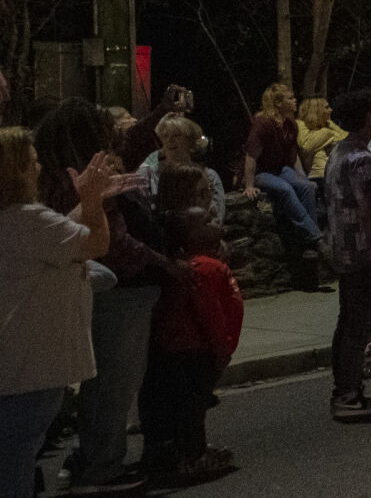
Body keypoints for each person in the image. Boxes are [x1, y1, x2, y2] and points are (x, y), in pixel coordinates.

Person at [37, 99, 174, 494]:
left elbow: (133, 144)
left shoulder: (65, 173)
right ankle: (102, 467)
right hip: (120, 290)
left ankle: (87, 457)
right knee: (114, 382)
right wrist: (166, 264)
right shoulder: (84, 181)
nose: (113, 133)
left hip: (103, 287)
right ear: (86, 135)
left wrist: (162, 108)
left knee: (102, 383)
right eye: (102, 126)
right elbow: (112, 242)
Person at [0, 131, 114, 498]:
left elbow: (58, 239)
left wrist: (89, 200)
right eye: (32, 161)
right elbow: (96, 242)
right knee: (13, 465)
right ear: (15, 170)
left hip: (14, 364)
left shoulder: (17, 221)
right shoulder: (27, 218)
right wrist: (92, 202)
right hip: (29, 369)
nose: (39, 168)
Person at [140, 208, 241, 480]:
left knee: (186, 405)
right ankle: (193, 456)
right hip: (195, 350)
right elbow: (210, 312)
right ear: (190, 237)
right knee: (192, 408)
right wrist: (221, 348)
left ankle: (183, 451)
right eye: (206, 222)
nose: (214, 219)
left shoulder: (199, 265)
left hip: (186, 348)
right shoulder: (204, 269)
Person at [324, 89, 371, 418]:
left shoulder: (339, 151)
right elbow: (369, 211)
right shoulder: (362, 159)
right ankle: (348, 394)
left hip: (342, 248)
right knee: (358, 325)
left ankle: (346, 388)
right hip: (362, 251)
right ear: (367, 116)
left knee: (348, 322)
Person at [240, 83, 321, 247]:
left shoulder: (290, 125)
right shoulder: (263, 123)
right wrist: (249, 185)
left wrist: (303, 178)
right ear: (278, 103)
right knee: (285, 189)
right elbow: (251, 155)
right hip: (262, 171)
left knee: (307, 187)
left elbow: (294, 156)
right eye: (290, 98)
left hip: (279, 169)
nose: (294, 101)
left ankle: (307, 236)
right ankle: (314, 235)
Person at [136, 114, 226, 222]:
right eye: (165, 136)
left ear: (190, 141)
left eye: (176, 135)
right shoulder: (148, 174)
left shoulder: (209, 175)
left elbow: (217, 216)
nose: (170, 140)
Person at [296, 96, 346, 201]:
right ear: (316, 110)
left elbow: (347, 139)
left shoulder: (328, 124)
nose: (331, 110)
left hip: (336, 173)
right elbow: (307, 146)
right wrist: (329, 133)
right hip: (319, 176)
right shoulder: (300, 124)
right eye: (326, 107)